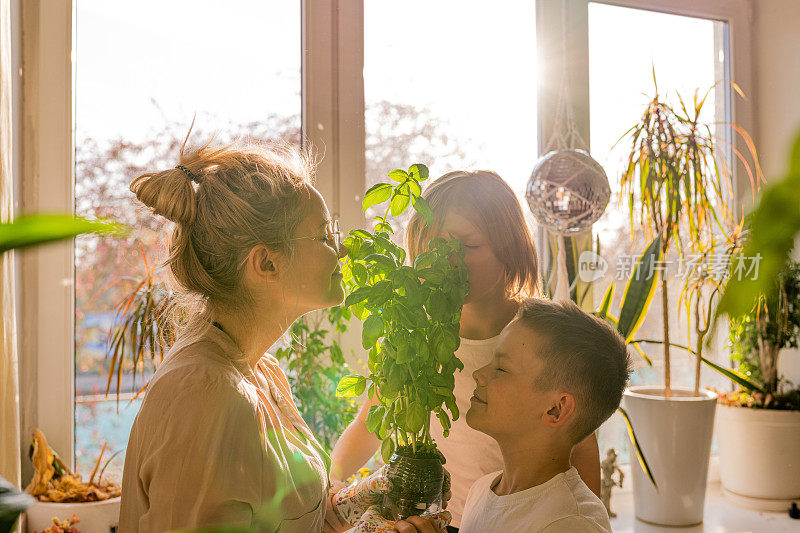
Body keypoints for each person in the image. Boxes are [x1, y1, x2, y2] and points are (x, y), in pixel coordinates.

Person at [118, 137, 442, 533]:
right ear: (266, 262)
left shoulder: (260, 372)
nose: (342, 251)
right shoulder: (205, 396)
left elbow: (296, 517)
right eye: (324, 235)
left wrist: (375, 500)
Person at [330, 171, 602, 530]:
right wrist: (329, 489)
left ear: (509, 248)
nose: (444, 260)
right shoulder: (414, 328)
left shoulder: (538, 335)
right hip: (433, 520)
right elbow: (371, 420)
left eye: (468, 246)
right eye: (430, 245)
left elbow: (579, 442)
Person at [459, 298, 630, 533]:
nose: (479, 374)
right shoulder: (482, 491)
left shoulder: (571, 524)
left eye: (501, 368)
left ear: (555, 409)